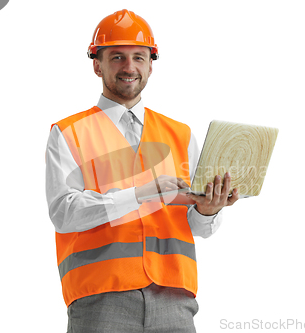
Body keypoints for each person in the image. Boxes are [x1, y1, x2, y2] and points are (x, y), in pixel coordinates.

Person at [45, 9, 239, 333]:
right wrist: (140, 195)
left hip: (175, 299)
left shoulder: (180, 134)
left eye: (138, 56)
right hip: (100, 298)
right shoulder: (69, 133)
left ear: (151, 64)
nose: (129, 67)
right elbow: (64, 213)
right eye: (117, 57)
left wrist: (208, 211)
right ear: (97, 65)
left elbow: (200, 228)